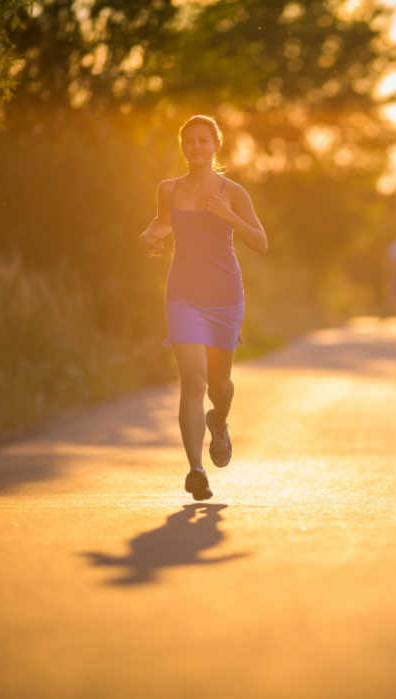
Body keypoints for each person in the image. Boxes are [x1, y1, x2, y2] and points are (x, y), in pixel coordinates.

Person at [138, 115, 268, 501]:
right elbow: (163, 224)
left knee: (219, 386)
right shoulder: (169, 189)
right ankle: (196, 470)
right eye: (189, 141)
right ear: (183, 147)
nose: (196, 147)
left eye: (203, 140)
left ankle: (220, 422)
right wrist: (147, 235)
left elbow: (260, 243)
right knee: (193, 381)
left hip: (225, 295)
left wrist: (228, 216)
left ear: (216, 145)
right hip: (182, 294)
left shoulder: (233, 191)